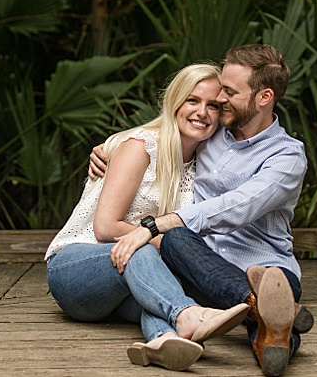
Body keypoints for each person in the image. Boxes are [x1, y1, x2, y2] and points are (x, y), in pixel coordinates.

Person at [90, 44, 313, 377]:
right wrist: (110, 148)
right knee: (177, 240)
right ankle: (268, 311)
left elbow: (238, 206)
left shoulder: (287, 156)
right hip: (200, 268)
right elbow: (161, 135)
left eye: (229, 91)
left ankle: (270, 329)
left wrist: (158, 224)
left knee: (179, 236)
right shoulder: (211, 131)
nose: (219, 98)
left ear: (264, 97)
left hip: (267, 269)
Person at [45, 63, 250, 372]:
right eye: (193, 100)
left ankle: (162, 341)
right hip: (77, 270)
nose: (202, 112)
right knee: (139, 243)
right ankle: (188, 314)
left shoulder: (204, 169)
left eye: (213, 105)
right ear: (175, 102)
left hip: (130, 284)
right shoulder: (142, 146)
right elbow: (105, 227)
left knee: (160, 290)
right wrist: (168, 243)